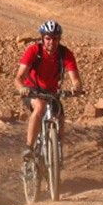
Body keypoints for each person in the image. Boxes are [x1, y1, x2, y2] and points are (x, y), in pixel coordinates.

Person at [14, 20, 83, 165]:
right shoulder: (34, 51)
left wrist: (76, 87)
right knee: (40, 107)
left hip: (52, 93)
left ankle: (57, 151)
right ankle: (30, 148)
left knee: (61, 117)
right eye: (48, 38)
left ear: (59, 39)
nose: (52, 42)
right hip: (32, 91)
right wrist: (22, 88)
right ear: (42, 38)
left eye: (55, 38)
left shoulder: (65, 53)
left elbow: (75, 78)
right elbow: (19, 77)